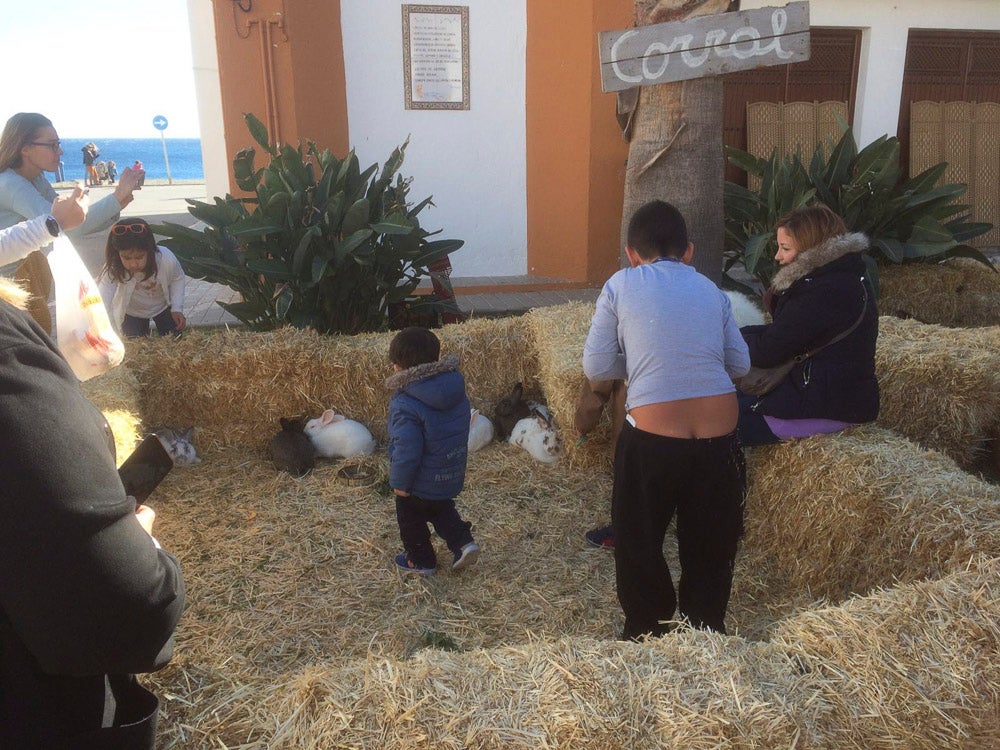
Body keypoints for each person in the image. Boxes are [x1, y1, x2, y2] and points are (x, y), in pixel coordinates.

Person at [0, 233, 185, 747]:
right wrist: (143, 546)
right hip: (37, 711)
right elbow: (129, 606)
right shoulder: (7, 354)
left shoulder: (165, 263)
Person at [582, 200, 750, 639]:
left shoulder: (620, 284)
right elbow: (741, 364)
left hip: (653, 442)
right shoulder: (712, 292)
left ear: (631, 254)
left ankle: (646, 632)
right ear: (689, 252)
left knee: (638, 542)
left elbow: (597, 367)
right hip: (722, 441)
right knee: (711, 547)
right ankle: (705, 631)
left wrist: (641, 364)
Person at [736, 204, 879, 445]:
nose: (777, 257)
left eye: (785, 248)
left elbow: (767, 352)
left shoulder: (826, 290)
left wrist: (728, 341)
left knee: (716, 426)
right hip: (826, 396)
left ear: (809, 249)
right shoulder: (839, 276)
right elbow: (786, 335)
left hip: (826, 407)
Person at [0, 113, 145, 331]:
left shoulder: (35, 178)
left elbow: (67, 222)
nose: (60, 151)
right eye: (52, 145)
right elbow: (63, 227)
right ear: (25, 148)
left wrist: (118, 203)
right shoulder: (11, 184)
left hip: (23, 277)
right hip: (9, 286)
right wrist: (116, 198)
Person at [385, 326, 480, 575]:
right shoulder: (454, 388)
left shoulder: (405, 401)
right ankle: (463, 543)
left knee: (410, 517)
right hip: (450, 468)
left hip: (418, 479)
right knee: (441, 508)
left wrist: (400, 482)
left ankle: (421, 560)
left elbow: (407, 448)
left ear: (399, 367)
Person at [97, 218, 187, 338]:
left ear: (150, 251)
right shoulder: (113, 267)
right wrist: (102, 325)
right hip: (132, 312)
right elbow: (103, 296)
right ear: (117, 253)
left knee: (175, 340)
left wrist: (177, 308)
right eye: (126, 258)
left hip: (162, 307)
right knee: (135, 346)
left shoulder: (165, 258)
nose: (133, 264)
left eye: (139, 257)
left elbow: (178, 278)